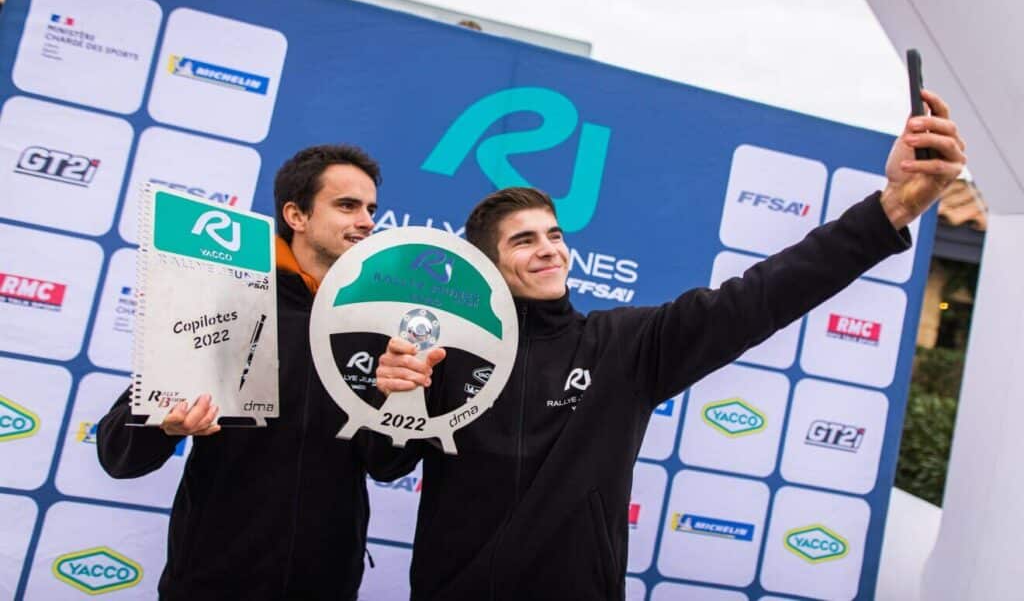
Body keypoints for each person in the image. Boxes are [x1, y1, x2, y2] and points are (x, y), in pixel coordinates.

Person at [374, 90, 967, 600]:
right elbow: (385, 462)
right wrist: (391, 393)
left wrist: (894, 206)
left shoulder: (623, 345)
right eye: (525, 241)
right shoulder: (447, 352)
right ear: (487, 264)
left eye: (555, 235)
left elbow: (764, 294)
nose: (549, 249)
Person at [98, 144, 391, 601]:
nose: (367, 221)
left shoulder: (376, 323)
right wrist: (164, 424)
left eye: (371, 208)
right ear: (296, 215)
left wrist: (403, 400)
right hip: (213, 580)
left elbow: (385, 463)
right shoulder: (230, 303)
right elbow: (118, 451)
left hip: (326, 584)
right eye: (347, 205)